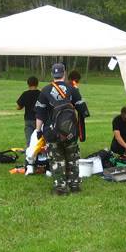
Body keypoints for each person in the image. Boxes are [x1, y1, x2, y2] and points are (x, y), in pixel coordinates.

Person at [35, 63, 89, 195]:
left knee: (57, 160)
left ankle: (60, 188)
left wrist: (38, 130)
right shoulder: (72, 89)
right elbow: (83, 110)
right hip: (70, 132)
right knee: (72, 158)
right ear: (64, 74)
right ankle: (74, 185)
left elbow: (39, 114)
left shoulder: (45, 91)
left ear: (52, 74)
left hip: (51, 132)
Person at [16, 76, 41, 147]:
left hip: (28, 119)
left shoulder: (25, 94)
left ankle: (30, 155)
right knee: (39, 139)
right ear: (37, 84)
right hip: (39, 120)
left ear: (28, 84)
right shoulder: (41, 94)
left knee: (29, 140)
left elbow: (18, 107)